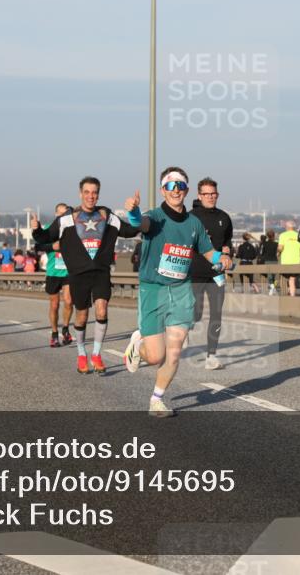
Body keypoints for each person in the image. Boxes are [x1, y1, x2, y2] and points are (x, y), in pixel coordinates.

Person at [123, 167, 232, 417]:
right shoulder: (155, 217)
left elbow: (208, 252)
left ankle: (156, 400)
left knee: (173, 352)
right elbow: (140, 223)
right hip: (154, 289)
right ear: (163, 190)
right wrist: (133, 211)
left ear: (186, 190)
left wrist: (222, 258)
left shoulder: (194, 223)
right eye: (170, 186)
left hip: (182, 290)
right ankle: (137, 346)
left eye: (180, 186)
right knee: (155, 356)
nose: (176, 190)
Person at [32, 176, 139, 374]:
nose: (91, 196)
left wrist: (134, 212)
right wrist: (36, 229)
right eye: (87, 192)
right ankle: (81, 354)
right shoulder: (66, 219)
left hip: (101, 272)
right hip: (78, 274)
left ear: (98, 194)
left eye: (95, 192)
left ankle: (96, 354)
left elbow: (130, 230)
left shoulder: (107, 216)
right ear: (80, 194)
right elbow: (45, 238)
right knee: (81, 316)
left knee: (102, 311)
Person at [190, 178, 233, 370]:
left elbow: (227, 242)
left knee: (217, 313)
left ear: (217, 194)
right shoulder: (191, 217)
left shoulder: (224, 217)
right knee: (196, 314)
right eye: (206, 194)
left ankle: (211, 356)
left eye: (213, 193)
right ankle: (186, 328)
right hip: (195, 272)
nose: (210, 197)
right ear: (199, 195)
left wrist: (227, 253)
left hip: (217, 274)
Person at [41, 203, 74, 348]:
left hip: (68, 271)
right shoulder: (49, 229)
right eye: (60, 214)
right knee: (54, 305)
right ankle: (54, 334)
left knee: (69, 301)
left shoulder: (72, 229)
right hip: (53, 272)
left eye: (65, 214)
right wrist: (52, 246)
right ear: (56, 215)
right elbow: (39, 246)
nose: (63, 217)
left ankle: (65, 329)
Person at [278, 221, 300, 296]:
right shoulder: (299, 235)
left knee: (284, 279)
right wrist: (299, 255)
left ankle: (287, 296)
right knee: (292, 279)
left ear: (286, 227)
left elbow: (280, 248)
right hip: (296, 261)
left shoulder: (282, 235)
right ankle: (292, 296)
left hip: (285, 261)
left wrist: (278, 252)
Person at [259, 230, 279, 295]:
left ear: (267, 236)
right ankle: (273, 289)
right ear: (274, 236)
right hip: (275, 261)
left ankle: (272, 289)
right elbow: (278, 252)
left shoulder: (264, 244)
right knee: (273, 276)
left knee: (269, 276)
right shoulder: (276, 244)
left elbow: (261, 253)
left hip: (267, 261)